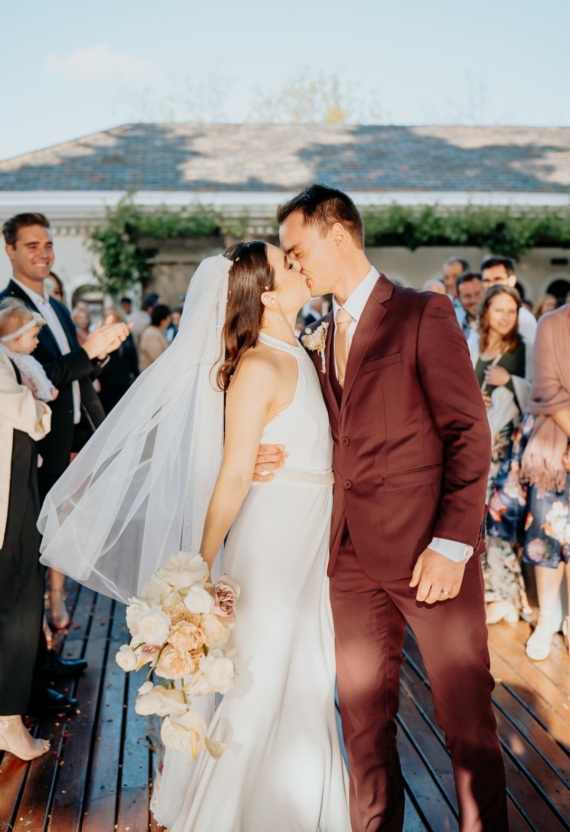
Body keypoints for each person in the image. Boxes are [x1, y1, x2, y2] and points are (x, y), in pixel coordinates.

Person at [38, 247, 350, 831]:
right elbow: (231, 473)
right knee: (264, 670)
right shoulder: (258, 365)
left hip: (308, 536)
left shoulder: (301, 352)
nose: (300, 265)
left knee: (304, 669)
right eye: (287, 263)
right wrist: (198, 570)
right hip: (275, 540)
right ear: (266, 293)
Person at [256, 185, 507, 831]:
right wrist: (264, 455)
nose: (293, 263)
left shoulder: (423, 313)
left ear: (338, 234)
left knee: (464, 719)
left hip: (430, 554)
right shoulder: (316, 334)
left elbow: (468, 432)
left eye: (297, 249)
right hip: (348, 561)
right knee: (362, 723)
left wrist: (452, 543)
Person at [0, 212, 130, 710]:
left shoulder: (55, 305)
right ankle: (26, 685)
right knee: (25, 570)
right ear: (10, 250)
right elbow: (36, 377)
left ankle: (42, 661)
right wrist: (86, 350)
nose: (44, 253)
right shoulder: (6, 309)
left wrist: (99, 352)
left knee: (47, 554)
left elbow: (73, 376)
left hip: (64, 448)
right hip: (28, 455)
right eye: (32, 245)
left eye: (48, 244)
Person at [0, 338, 52, 759]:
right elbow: (27, 414)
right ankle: (8, 723)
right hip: (9, 497)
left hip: (14, 486)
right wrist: (40, 403)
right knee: (18, 602)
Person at [468, 287, 531, 624]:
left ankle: (506, 596)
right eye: (499, 309)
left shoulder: (522, 348)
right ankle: (483, 592)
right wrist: (473, 398)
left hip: (505, 449)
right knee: (474, 518)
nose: (505, 316)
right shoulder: (473, 344)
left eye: (512, 310)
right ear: (486, 311)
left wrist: (510, 382)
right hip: (475, 443)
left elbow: (538, 391)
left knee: (497, 516)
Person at [518, 304, 570, 660]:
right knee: (546, 537)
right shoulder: (552, 323)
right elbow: (547, 390)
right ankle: (547, 617)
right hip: (553, 442)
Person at [481, 256, 537, 345]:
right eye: (486, 280)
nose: (491, 285)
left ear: (512, 280)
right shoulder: (480, 316)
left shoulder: (524, 319)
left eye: (497, 279)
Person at [97, 307, 139, 413]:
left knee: (123, 410)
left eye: (111, 315)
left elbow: (133, 355)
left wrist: (136, 373)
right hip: (107, 381)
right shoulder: (102, 334)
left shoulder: (127, 333)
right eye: (106, 315)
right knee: (109, 410)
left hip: (123, 379)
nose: (109, 318)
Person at [138, 304, 171, 371]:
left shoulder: (156, 332)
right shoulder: (151, 334)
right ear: (162, 320)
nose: (170, 320)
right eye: (168, 317)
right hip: (152, 373)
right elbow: (157, 357)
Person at [456, 271, 483, 339]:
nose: (474, 300)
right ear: (459, 299)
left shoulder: (497, 325)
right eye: (467, 296)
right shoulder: (456, 330)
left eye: (477, 294)